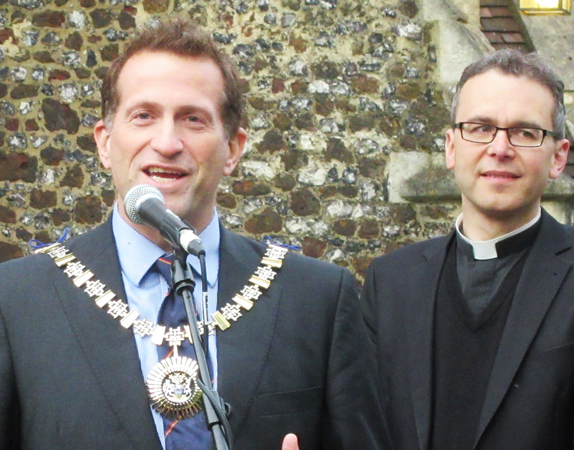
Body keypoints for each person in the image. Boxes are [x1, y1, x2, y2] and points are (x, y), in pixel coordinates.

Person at [0, 18, 390, 450]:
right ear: (105, 143)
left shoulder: (316, 298)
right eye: (144, 115)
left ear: (233, 148)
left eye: (193, 119)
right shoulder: (17, 300)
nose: (167, 142)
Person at [362, 48, 574, 449]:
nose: (499, 147)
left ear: (558, 157)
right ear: (451, 147)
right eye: (480, 127)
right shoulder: (390, 282)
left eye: (525, 132)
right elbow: (364, 429)